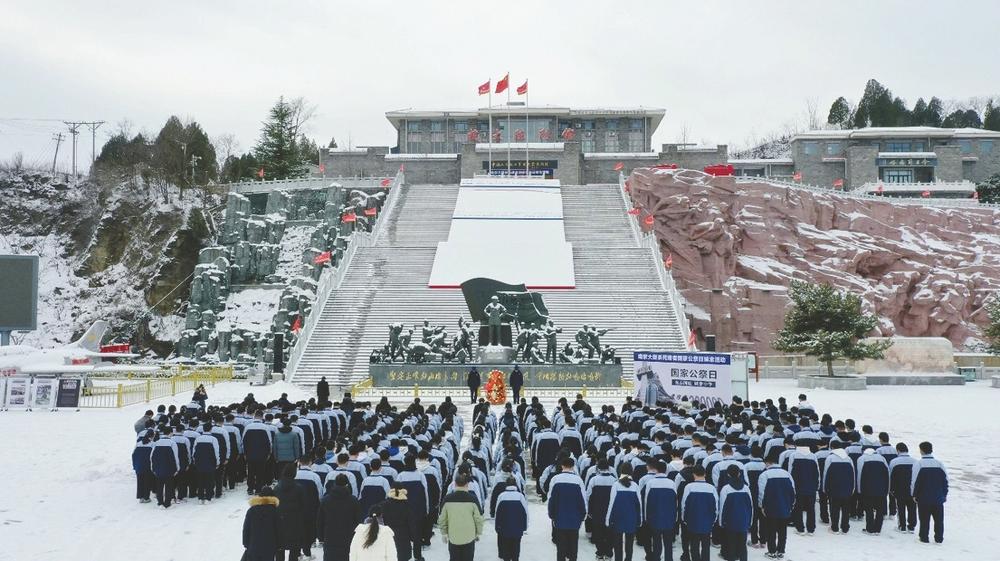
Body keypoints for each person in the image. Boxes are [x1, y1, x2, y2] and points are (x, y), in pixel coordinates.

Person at [438, 473, 485, 561]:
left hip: (453, 536)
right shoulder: (473, 499)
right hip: (469, 536)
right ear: (467, 484)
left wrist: (444, 533)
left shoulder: (447, 499)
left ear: (455, 484)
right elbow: (478, 518)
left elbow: (442, 519)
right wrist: (478, 532)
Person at [548, 457, 587, 561]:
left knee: (560, 548)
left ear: (562, 466)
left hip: (560, 518)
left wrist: (551, 515)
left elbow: (551, 499)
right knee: (573, 548)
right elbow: (583, 499)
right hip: (575, 519)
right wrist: (583, 515)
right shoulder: (578, 480)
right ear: (573, 466)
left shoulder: (555, 479)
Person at [758, 455, 795, 560]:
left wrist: (761, 506)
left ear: (767, 463)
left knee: (771, 530)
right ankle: (781, 551)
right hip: (785, 506)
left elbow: (761, 493)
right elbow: (793, 491)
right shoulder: (787, 474)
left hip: (771, 507)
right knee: (783, 531)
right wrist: (791, 505)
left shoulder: (764, 475)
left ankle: (772, 551)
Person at [318, 474, 363, 561]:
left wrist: (321, 537)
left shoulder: (325, 500)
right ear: (347, 485)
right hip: (348, 537)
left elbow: (320, 521)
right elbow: (358, 521)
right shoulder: (353, 500)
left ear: (335, 484)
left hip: (330, 536)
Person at [911, 441, 948, 544]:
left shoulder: (919, 464)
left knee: (924, 519)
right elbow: (945, 480)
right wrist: (944, 494)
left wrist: (914, 494)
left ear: (921, 450)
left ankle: (924, 538)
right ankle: (939, 539)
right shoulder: (939, 463)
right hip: (938, 497)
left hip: (923, 497)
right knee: (939, 520)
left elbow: (914, 481)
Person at [639, 459, 676, 561]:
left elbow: (646, 501)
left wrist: (646, 517)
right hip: (669, 517)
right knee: (668, 542)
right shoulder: (672, 483)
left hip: (655, 516)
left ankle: (656, 558)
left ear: (656, 469)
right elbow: (675, 501)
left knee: (656, 541)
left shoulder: (650, 483)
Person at [680, 465, 717, 561]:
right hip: (707, 522)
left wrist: (684, 519)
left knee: (694, 545)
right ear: (705, 474)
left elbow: (684, 505)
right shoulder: (711, 488)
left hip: (693, 521)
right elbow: (716, 507)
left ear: (693, 474)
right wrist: (713, 520)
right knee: (706, 546)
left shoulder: (689, 487)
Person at [719, 465, 753, 561]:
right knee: (743, 546)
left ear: (728, 474)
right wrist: (750, 521)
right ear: (739, 473)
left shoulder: (725, 488)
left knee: (731, 546)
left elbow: (722, 507)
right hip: (744, 522)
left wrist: (721, 522)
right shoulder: (746, 488)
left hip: (730, 522)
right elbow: (751, 506)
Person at [606, 472, 641, 561]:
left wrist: (608, 518)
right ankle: (628, 559)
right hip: (631, 517)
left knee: (617, 543)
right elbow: (639, 504)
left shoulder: (616, 484)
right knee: (629, 543)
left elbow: (611, 503)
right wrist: (640, 518)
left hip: (618, 517)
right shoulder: (635, 485)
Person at [822, 441, 855, 535]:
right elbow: (853, 474)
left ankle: (835, 528)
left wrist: (824, 488)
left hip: (834, 487)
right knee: (846, 508)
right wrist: (853, 488)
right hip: (847, 487)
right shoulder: (848, 458)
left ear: (832, 447)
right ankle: (845, 528)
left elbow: (826, 473)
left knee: (834, 508)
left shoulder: (830, 458)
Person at [275, 464, 307, 561]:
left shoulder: (276, 488)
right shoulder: (299, 488)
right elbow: (304, 506)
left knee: (279, 550)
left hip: (279, 522)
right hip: (295, 523)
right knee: (294, 551)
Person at [382, 485, 420, 561]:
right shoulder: (407, 505)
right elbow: (412, 524)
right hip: (403, 539)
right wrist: (418, 554)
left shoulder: (383, 505)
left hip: (388, 537)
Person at [494, 479, 528, 561]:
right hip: (517, 529)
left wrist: (497, 527)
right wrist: (525, 526)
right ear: (515, 485)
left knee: (506, 551)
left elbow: (497, 512)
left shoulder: (501, 496)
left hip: (504, 529)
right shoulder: (520, 496)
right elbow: (526, 512)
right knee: (516, 550)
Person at [857, 448, 890, 535]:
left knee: (869, 509)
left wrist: (859, 489)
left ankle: (870, 529)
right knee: (880, 510)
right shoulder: (882, 459)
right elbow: (887, 474)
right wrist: (887, 489)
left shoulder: (862, 459)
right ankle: (878, 529)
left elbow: (860, 475)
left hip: (868, 489)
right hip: (881, 489)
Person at [243, 486, 281, 561]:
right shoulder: (275, 511)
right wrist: (279, 545)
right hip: (269, 547)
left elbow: (246, 529)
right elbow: (279, 530)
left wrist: (246, 543)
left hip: (253, 545)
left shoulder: (251, 510)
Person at [888, 443, 917, 533]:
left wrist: (891, 489)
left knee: (901, 508)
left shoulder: (894, 461)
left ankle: (902, 526)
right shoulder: (915, 461)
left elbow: (890, 476)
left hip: (899, 488)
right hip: (912, 489)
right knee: (912, 508)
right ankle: (911, 527)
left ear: (898, 450)